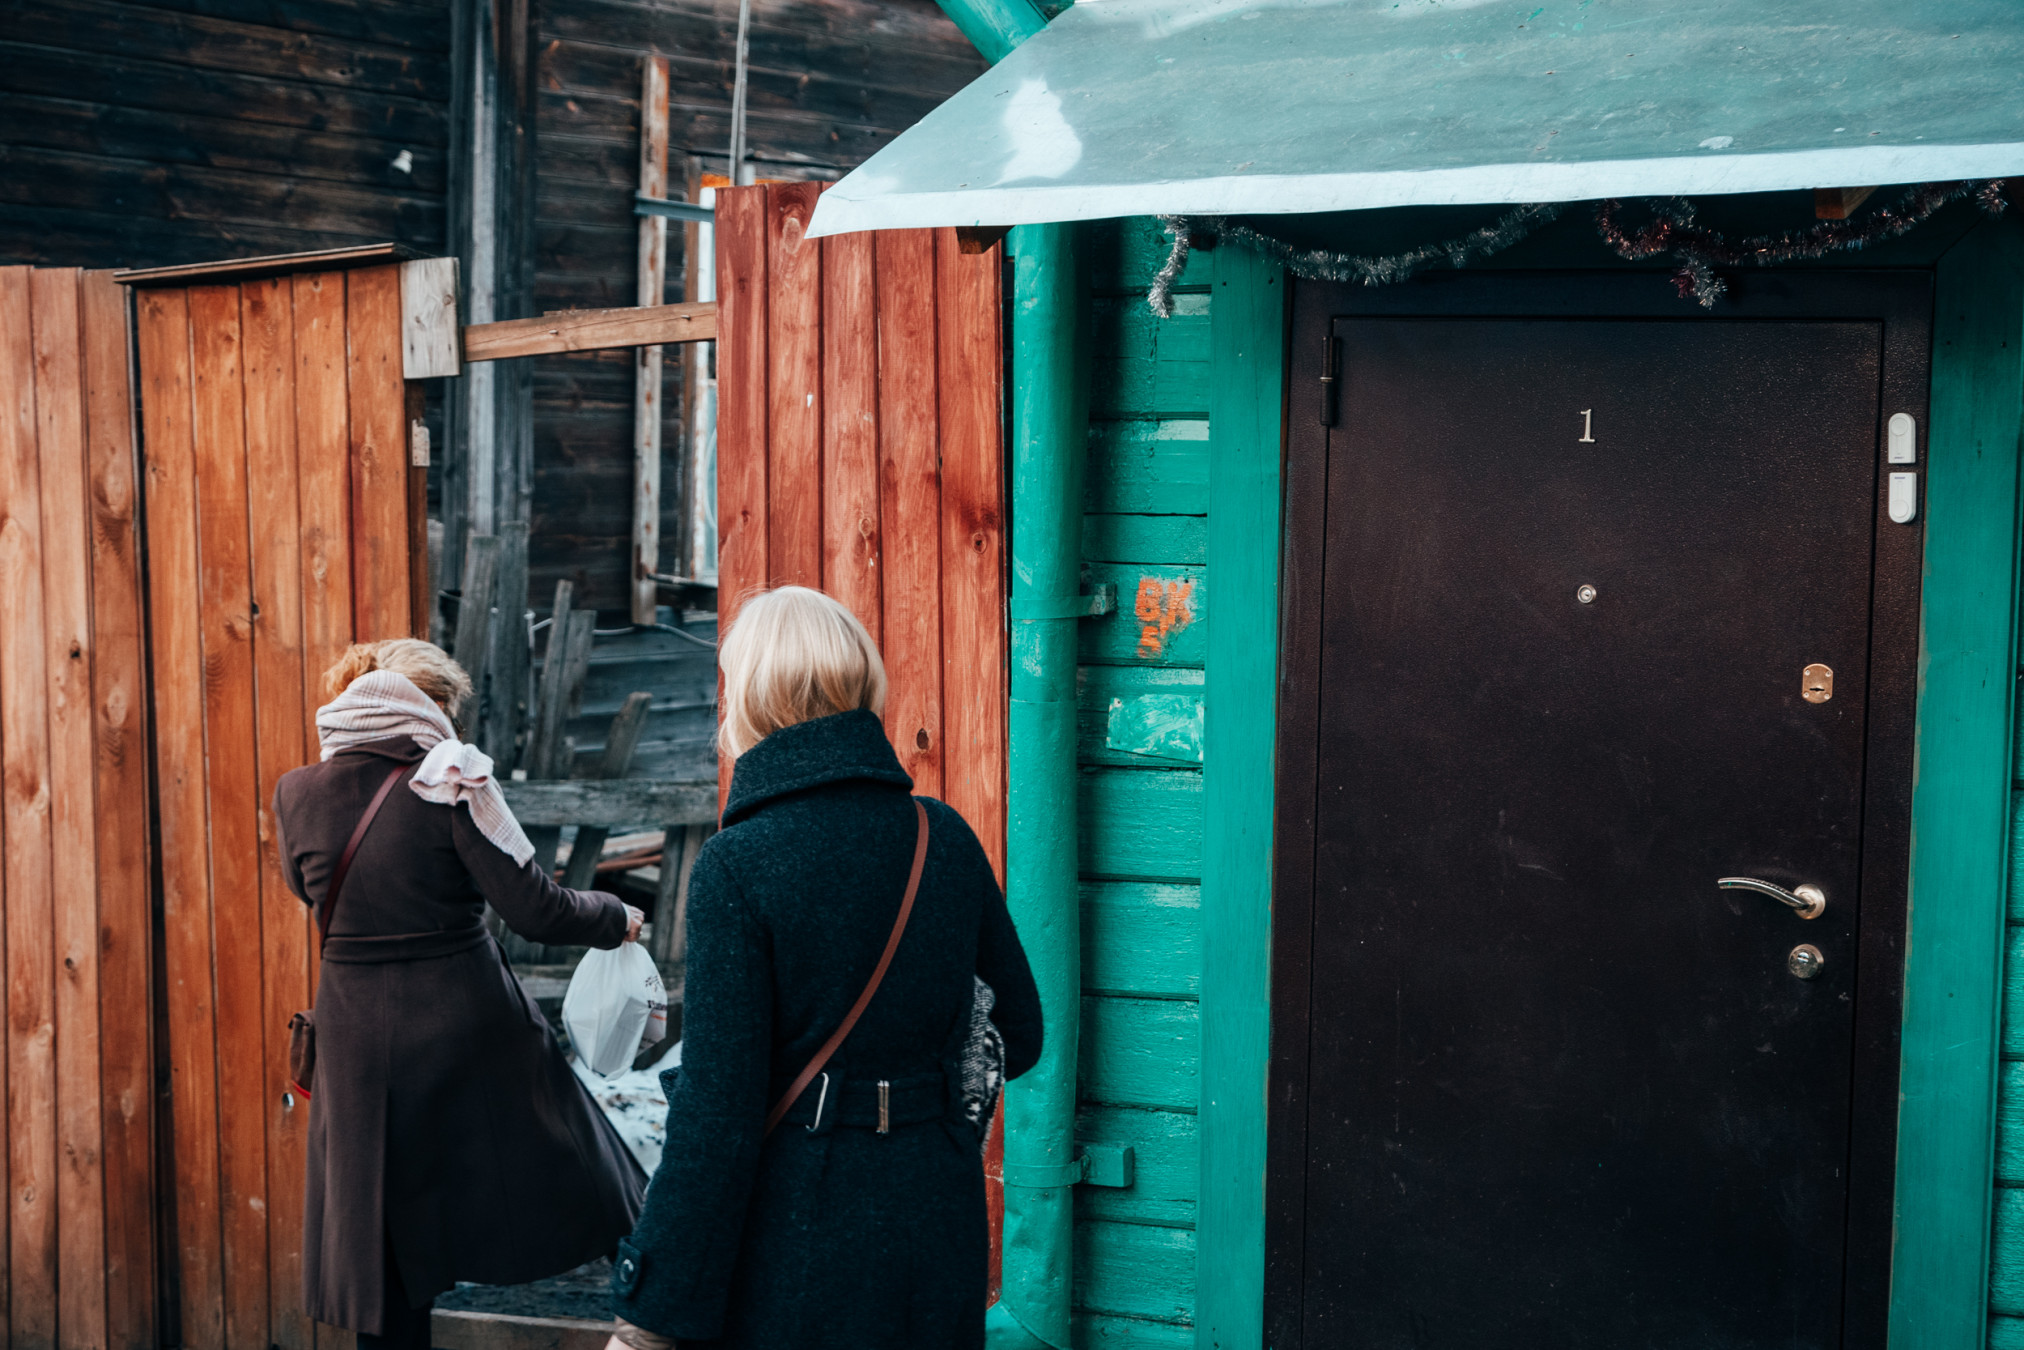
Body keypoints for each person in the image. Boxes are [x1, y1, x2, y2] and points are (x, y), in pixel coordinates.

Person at [608, 586, 1043, 1350]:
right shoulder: (939, 835)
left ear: (746, 694)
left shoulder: (737, 865)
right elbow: (1022, 1032)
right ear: (860, 682)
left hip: (800, 1235)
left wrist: (649, 1313)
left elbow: (718, 1114)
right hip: (936, 1218)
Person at [273, 638, 649, 1348]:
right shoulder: (451, 775)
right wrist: (616, 916)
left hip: (355, 1039)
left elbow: (307, 891)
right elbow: (534, 909)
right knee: (595, 1177)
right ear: (430, 704)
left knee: (383, 1244)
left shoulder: (295, 791)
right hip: (467, 1028)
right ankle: (662, 1314)